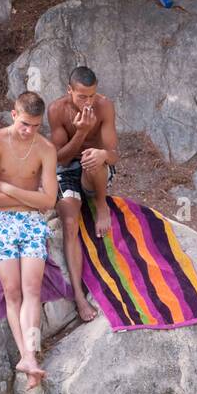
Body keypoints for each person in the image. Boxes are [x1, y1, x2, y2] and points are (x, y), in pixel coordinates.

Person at [0, 91, 59, 388]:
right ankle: (27, 356)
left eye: (36, 126)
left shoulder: (46, 150)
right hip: (0, 223)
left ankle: (31, 357)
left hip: (32, 224)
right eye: (24, 123)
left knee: (32, 289)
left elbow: (49, 200)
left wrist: (10, 190)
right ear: (13, 115)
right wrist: (31, 198)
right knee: (12, 291)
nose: (29, 131)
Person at [48, 65, 119, 322]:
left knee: (95, 159)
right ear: (69, 91)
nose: (88, 102)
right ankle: (78, 296)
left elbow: (113, 154)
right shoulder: (57, 110)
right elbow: (59, 158)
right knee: (70, 221)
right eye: (81, 96)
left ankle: (101, 205)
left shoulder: (105, 106)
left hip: (94, 172)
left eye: (91, 95)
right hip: (66, 170)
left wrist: (102, 153)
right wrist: (80, 132)